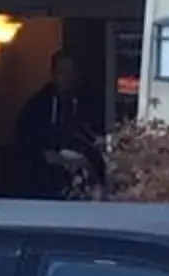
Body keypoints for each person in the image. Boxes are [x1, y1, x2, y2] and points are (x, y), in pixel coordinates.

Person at [12, 51, 107, 197]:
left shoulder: (90, 104)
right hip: (43, 186)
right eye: (63, 72)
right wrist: (49, 156)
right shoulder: (37, 106)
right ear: (53, 75)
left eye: (72, 71)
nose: (68, 78)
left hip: (83, 187)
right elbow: (25, 143)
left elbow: (98, 138)